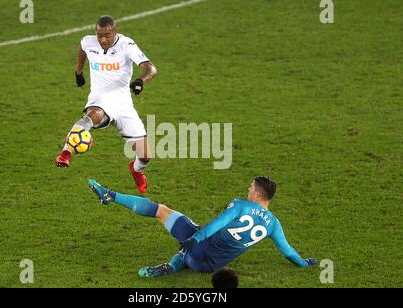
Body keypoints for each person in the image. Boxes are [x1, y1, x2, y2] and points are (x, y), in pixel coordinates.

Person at [87, 176, 318, 277]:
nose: (248, 189)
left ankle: (110, 196)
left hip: (196, 250)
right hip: (212, 266)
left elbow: (215, 225)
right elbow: (288, 252)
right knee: (194, 240)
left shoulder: (241, 206)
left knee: (161, 210)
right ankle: (173, 265)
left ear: (257, 193)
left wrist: (194, 240)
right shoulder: (273, 224)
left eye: (250, 187)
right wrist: (304, 263)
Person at [55, 15, 157, 193]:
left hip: (124, 104)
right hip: (100, 99)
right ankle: (66, 153)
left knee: (146, 156)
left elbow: (151, 68)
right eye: (99, 35)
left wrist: (140, 80)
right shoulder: (88, 42)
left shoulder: (126, 45)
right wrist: (78, 72)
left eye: (107, 36)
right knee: (92, 114)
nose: (102, 39)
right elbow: (82, 49)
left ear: (115, 32)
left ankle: (136, 169)